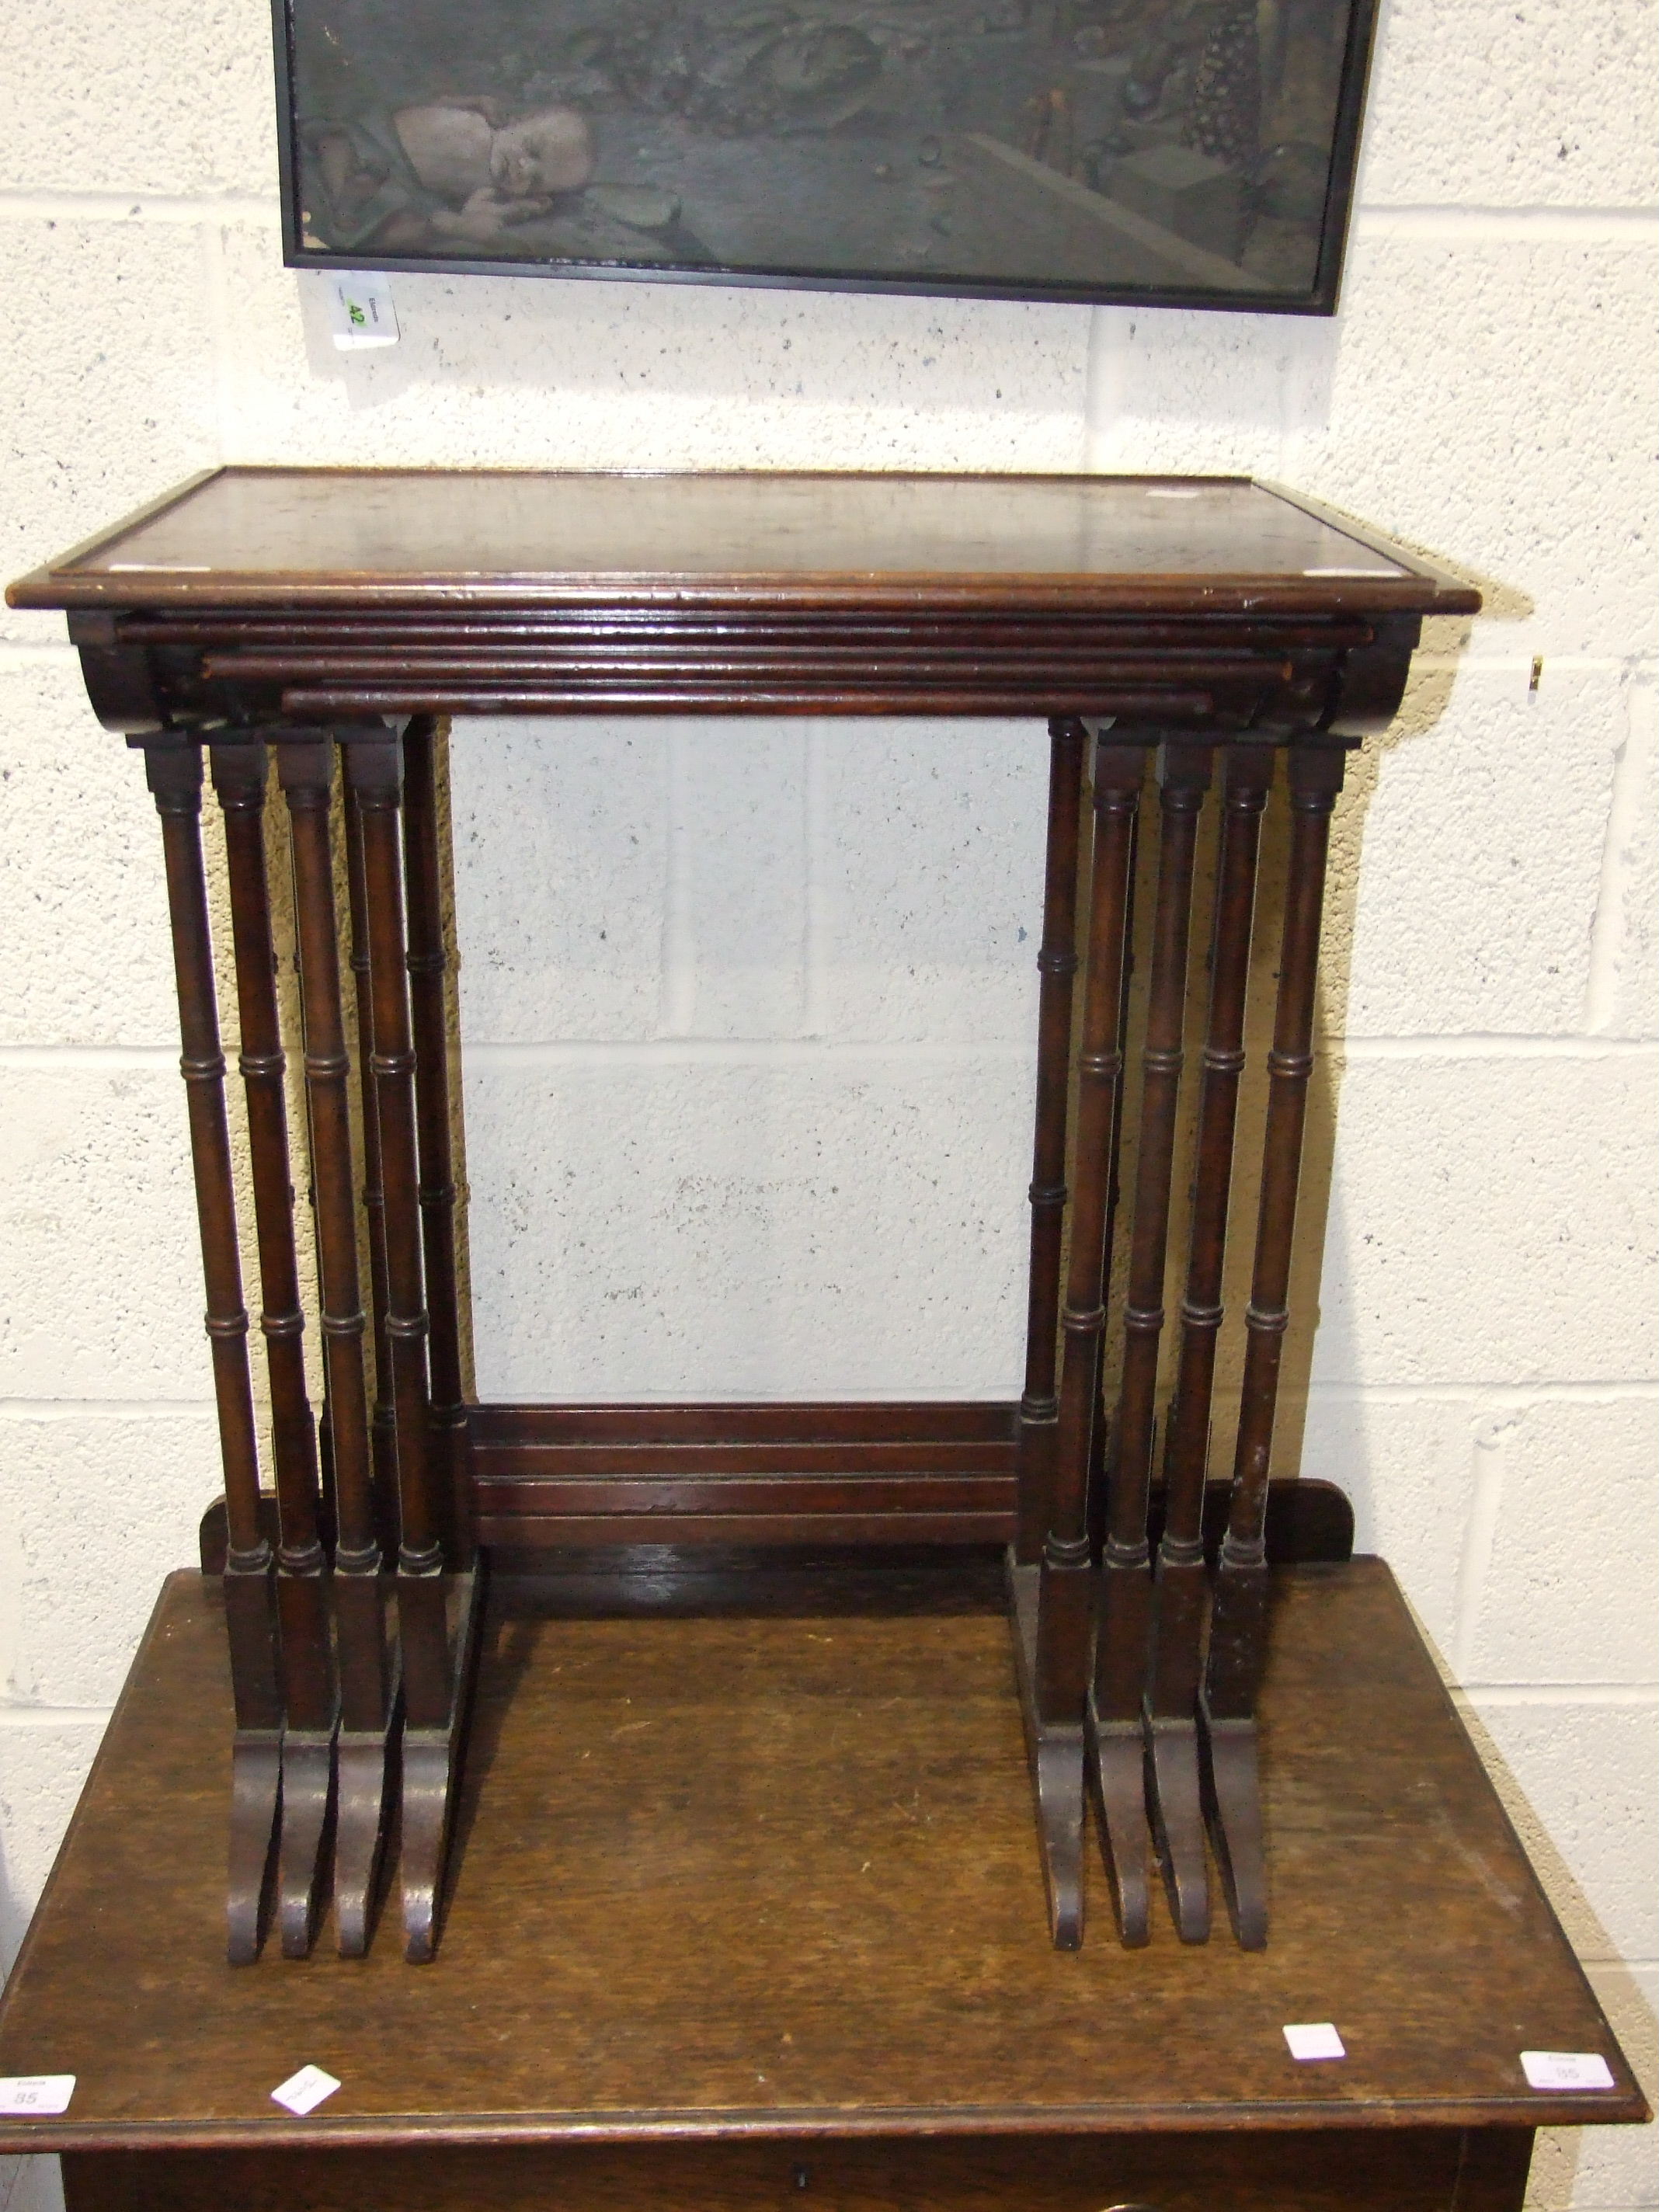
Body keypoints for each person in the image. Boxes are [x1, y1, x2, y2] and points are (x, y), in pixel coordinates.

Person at [303, 95, 595, 253]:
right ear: (515, 121)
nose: (524, 168)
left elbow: (469, 213)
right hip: (366, 137)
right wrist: (462, 101)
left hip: (397, 188)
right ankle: (345, 199)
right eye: (532, 149)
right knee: (335, 145)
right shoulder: (480, 116)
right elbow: (425, 103)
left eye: (535, 181)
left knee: (410, 224)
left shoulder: (488, 189)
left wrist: (461, 224)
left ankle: (346, 211)